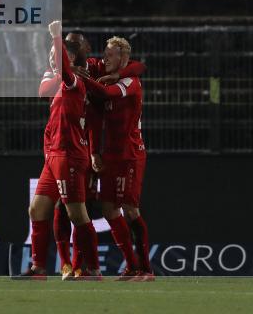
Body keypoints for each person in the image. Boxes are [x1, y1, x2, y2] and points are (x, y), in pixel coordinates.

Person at [18, 20, 101, 279]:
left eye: (56, 55)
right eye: (51, 55)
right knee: (37, 209)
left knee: (77, 214)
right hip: (53, 156)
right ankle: (39, 268)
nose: (52, 59)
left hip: (69, 155)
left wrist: (56, 36)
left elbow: (65, 71)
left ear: (70, 57)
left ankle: (92, 269)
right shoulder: (61, 80)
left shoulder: (74, 80)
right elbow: (45, 88)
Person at [79, 36, 154, 281]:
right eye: (105, 54)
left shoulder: (131, 82)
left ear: (122, 58)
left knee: (131, 210)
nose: (105, 59)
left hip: (130, 155)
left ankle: (146, 269)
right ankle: (132, 266)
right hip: (111, 154)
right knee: (109, 209)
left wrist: (81, 77)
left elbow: (106, 92)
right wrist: (95, 152)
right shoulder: (107, 71)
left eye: (110, 55)